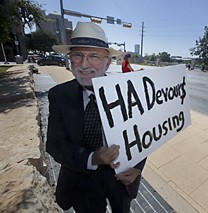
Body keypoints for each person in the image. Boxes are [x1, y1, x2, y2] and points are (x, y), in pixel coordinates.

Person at [47, 22, 146, 213]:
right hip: (80, 180)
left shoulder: (127, 92)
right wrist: (92, 158)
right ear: (69, 59)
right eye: (77, 55)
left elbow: (145, 135)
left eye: (93, 56)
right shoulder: (59, 96)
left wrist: (137, 168)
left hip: (120, 180)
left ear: (107, 62)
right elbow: (54, 144)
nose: (84, 65)